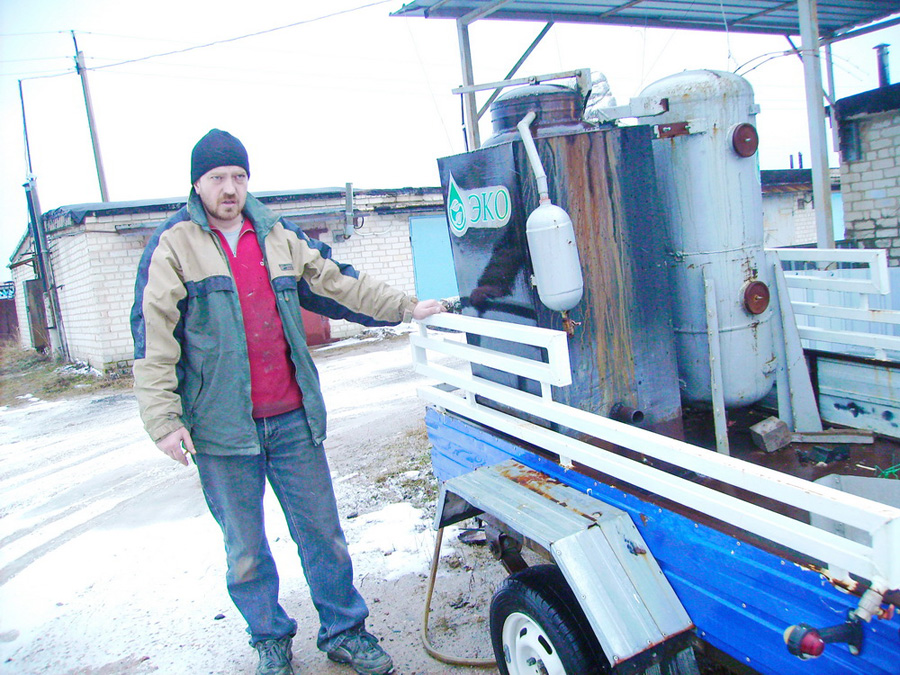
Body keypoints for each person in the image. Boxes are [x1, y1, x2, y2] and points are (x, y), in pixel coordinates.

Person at [130, 129, 445, 675]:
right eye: (217, 178)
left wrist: (407, 307)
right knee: (245, 548)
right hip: (220, 429)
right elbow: (155, 338)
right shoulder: (174, 245)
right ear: (197, 184)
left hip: (292, 417)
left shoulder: (278, 234)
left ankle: (345, 630)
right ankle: (269, 637)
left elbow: (341, 283)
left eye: (238, 176)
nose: (229, 188)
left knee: (322, 533)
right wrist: (164, 420)